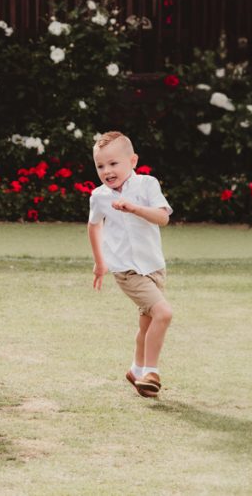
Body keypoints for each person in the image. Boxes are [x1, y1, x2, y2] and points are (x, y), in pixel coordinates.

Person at [88, 131, 173, 398]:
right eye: (101, 166)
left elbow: (162, 218)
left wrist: (134, 208)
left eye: (113, 164)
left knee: (147, 323)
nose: (107, 171)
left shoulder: (147, 184)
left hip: (154, 266)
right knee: (163, 313)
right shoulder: (99, 196)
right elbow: (94, 226)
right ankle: (151, 371)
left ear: (132, 160)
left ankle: (136, 370)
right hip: (126, 269)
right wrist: (100, 262)